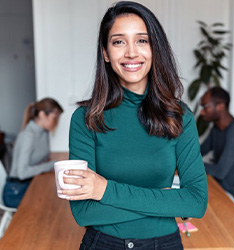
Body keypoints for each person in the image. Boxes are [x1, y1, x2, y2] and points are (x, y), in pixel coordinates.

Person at [61, 2, 208, 249]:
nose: (131, 52)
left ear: (155, 48)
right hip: (103, 244)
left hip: (165, 244)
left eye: (142, 41)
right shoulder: (86, 119)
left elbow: (195, 202)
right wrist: (167, 200)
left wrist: (103, 189)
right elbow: (84, 212)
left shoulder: (179, 116)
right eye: (119, 42)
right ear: (106, 52)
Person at [3, 98, 63, 208]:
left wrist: (50, 164)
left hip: (29, 183)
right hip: (16, 190)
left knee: (55, 198)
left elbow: (44, 157)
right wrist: (50, 165)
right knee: (48, 206)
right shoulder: (28, 136)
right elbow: (22, 173)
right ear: (42, 114)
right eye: (54, 118)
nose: (56, 122)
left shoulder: (43, 132)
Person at [200, 87, 234, 209]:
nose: (201, 112)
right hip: (221, 187)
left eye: (205, 106)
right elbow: (198, 152)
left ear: (220, 106)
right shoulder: (216, 129)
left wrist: (191, 165)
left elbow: (220, 172)